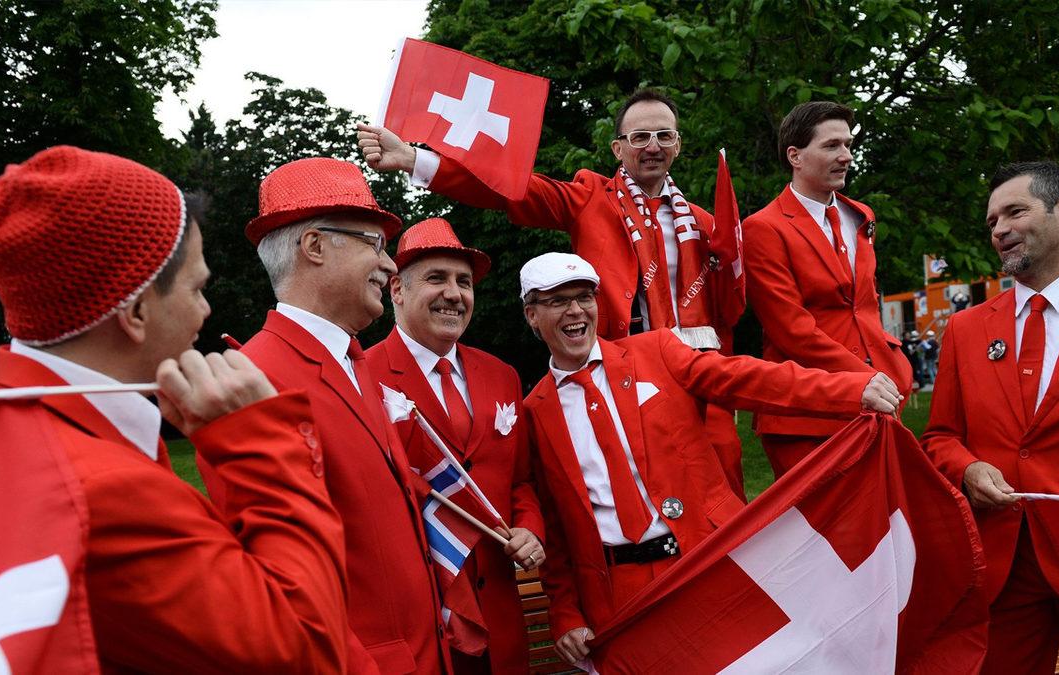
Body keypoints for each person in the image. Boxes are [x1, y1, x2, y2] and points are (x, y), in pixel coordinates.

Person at [0, 146, 349, 671]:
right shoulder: (109, 489)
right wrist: (262, 439)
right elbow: (304, 650)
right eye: (196, 288)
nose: (206, 310)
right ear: (137, 309)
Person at [516, 252, 903, 667]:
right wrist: (566, 615)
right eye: (557, 301)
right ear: (532, 315)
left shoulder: (656, 350)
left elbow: (745, 378)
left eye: (584, 296)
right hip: (619, 597)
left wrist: (846, 391)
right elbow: (554, 528)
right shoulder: (534, 412)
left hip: (705, 561)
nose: (575, 310)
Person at [359, 87, 748, 497]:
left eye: (664, 136)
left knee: (723, 485)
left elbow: (727, 301)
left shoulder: (705, 223)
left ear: (678, 144)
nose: (653, 147)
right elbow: (510, 188)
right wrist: (415, 160)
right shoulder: (590, 199)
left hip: (702, 372)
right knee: (642, 489)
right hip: (625, 369)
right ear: (618, 148)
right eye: (639, 138)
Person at [226, 157, 451, 675]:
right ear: (315, 246)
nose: (392, 265)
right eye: (374, 244)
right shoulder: (257, 379)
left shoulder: (353, 362)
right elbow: (280, 585)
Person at [922, 161, 1059, 673]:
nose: (1000, 229)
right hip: (1005, 559)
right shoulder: (965, 330)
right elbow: (940, 435)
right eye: (991, 222)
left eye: (1014, 212)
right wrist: (966, 468)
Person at [364, 217, 546, 674]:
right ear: (397, 291)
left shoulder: (500, 374)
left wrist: (529, 529)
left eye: (464, 282)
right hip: (423, 619)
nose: (454, 294)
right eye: (436, 278)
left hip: (502, 617)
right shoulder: (362, 375)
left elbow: (520, 480)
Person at [741, 101, 913, 478]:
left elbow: (863, 307)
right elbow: (791, 329)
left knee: (883, 526)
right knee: (829, 533)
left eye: (848, 145)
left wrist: (893, 368)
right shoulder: (762, 229)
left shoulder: (862, 216)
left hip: (877, 397)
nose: (846, 156)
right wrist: (865, 377)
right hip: (805, 412)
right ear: (795, 156)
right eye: (832, 146)